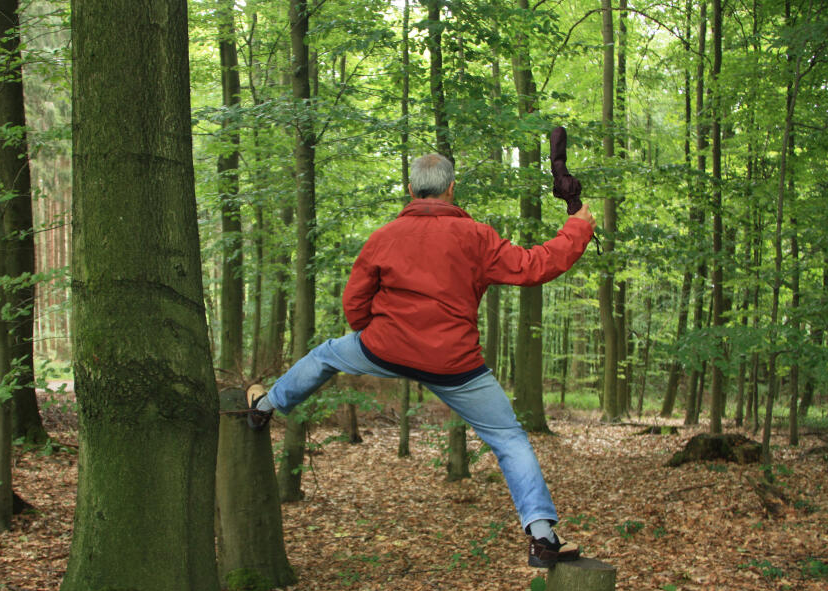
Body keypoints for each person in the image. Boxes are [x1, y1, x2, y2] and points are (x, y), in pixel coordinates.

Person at [246, 153, 596, 568]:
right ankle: (542, 539)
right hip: (455, 364)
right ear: (451, 188)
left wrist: (372, 336)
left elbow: (355, 301)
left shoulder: (385, 236)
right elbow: (536, 265)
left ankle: (264, 406)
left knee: (326, 355)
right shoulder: (477, 237)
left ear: (412, 190)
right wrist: (577, 227)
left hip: (386, 347)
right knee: (509, 440)